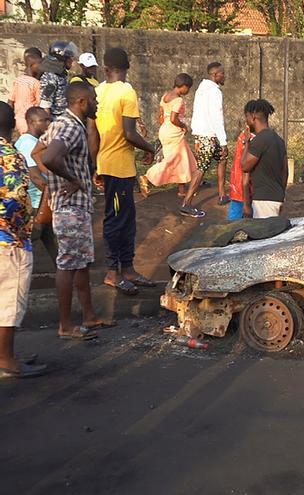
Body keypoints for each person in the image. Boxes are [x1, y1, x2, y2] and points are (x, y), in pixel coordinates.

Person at [33, 82, 114, 340]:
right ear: (81, 102)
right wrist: (73, 180)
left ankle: (89, 317)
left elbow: (37, 152)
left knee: (80, 263)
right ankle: (65, 325)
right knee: (68, 264)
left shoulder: (62, 123)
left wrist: (52, 182)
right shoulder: (69, 126)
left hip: (73, 206)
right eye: (93, 100)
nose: (97, 104)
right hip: (70, 208)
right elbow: (48, 158)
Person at [94, 48, 156, 295]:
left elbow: (93, 133)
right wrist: (150, 147)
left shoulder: (98, 91)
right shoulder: (126, 91)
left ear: (106, 68)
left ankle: (128, 269)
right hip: (118, 167)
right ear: (127, 67)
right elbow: (129, 133)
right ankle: (112, 273)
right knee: (117, 220)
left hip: (108, 164)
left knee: (127, 219)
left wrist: (94, 164)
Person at [0, 101, 49, 378]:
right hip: (9, 240)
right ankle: (6, 359)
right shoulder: (11, 154)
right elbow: (17, 199)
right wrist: (22, 229)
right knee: (8, 302)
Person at [181, 62, 227, 217]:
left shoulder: (201, 90)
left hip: (202, 134)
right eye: (222, 73)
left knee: (222, 158)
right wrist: (224, 141)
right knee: (201, 168)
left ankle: (222, 195)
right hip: (209, 135)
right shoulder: (214, 92)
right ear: (214, 75)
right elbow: (217, 118)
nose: (224, 76)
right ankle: (187, 203)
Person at [15, 107, 56, 262]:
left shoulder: (32, 142)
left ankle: (68, 273)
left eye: (48, 119)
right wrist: (55, 193)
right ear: (31, 122)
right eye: (43, 120)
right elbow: (35, 176)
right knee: (29, 240)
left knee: (52, 240)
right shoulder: (27, 143)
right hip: (36, 203)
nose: (47, 123)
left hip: (41, 200)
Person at [145, 74, 196, 197]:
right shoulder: (178, 100)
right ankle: (147, 177)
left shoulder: (165, 96)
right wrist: (183, 126)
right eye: (188, 88)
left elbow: (161, 116)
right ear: (183, 86)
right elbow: (174, 119)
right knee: (173, 160)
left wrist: (166, 128)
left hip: (165, 130)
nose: (188, 91)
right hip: (174, 132)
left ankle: (182, 190)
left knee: (180, 160)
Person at [240, 99, 287, 219]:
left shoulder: (260, 140)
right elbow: (285, 172)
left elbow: (245, 166)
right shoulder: (279, 140)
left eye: (246, 116)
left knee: (264, 236)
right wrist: (281, 195)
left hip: (263, 199)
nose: (246, 120)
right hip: (276, 197)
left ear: (253, 116)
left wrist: (246, 144)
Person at [8, 47, 42, 136]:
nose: (41, 68)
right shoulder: (36, 83)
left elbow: (10, 101)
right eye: (39, 65)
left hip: (18, 121)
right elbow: (39, 104)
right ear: (31, 65)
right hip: (31, 121)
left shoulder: (18, 80)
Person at [39, 41, 77, 119]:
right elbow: (45, 104)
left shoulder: (62, 74)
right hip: (56, 119)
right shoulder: (51, 78)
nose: (71, 60)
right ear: (62, 59)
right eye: (69, 58)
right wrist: (49, 126)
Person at [227, 129, 254, 220]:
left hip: (238, 186)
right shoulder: (251, 137)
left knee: (235, 215)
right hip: (245, 186)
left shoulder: (244, 135)